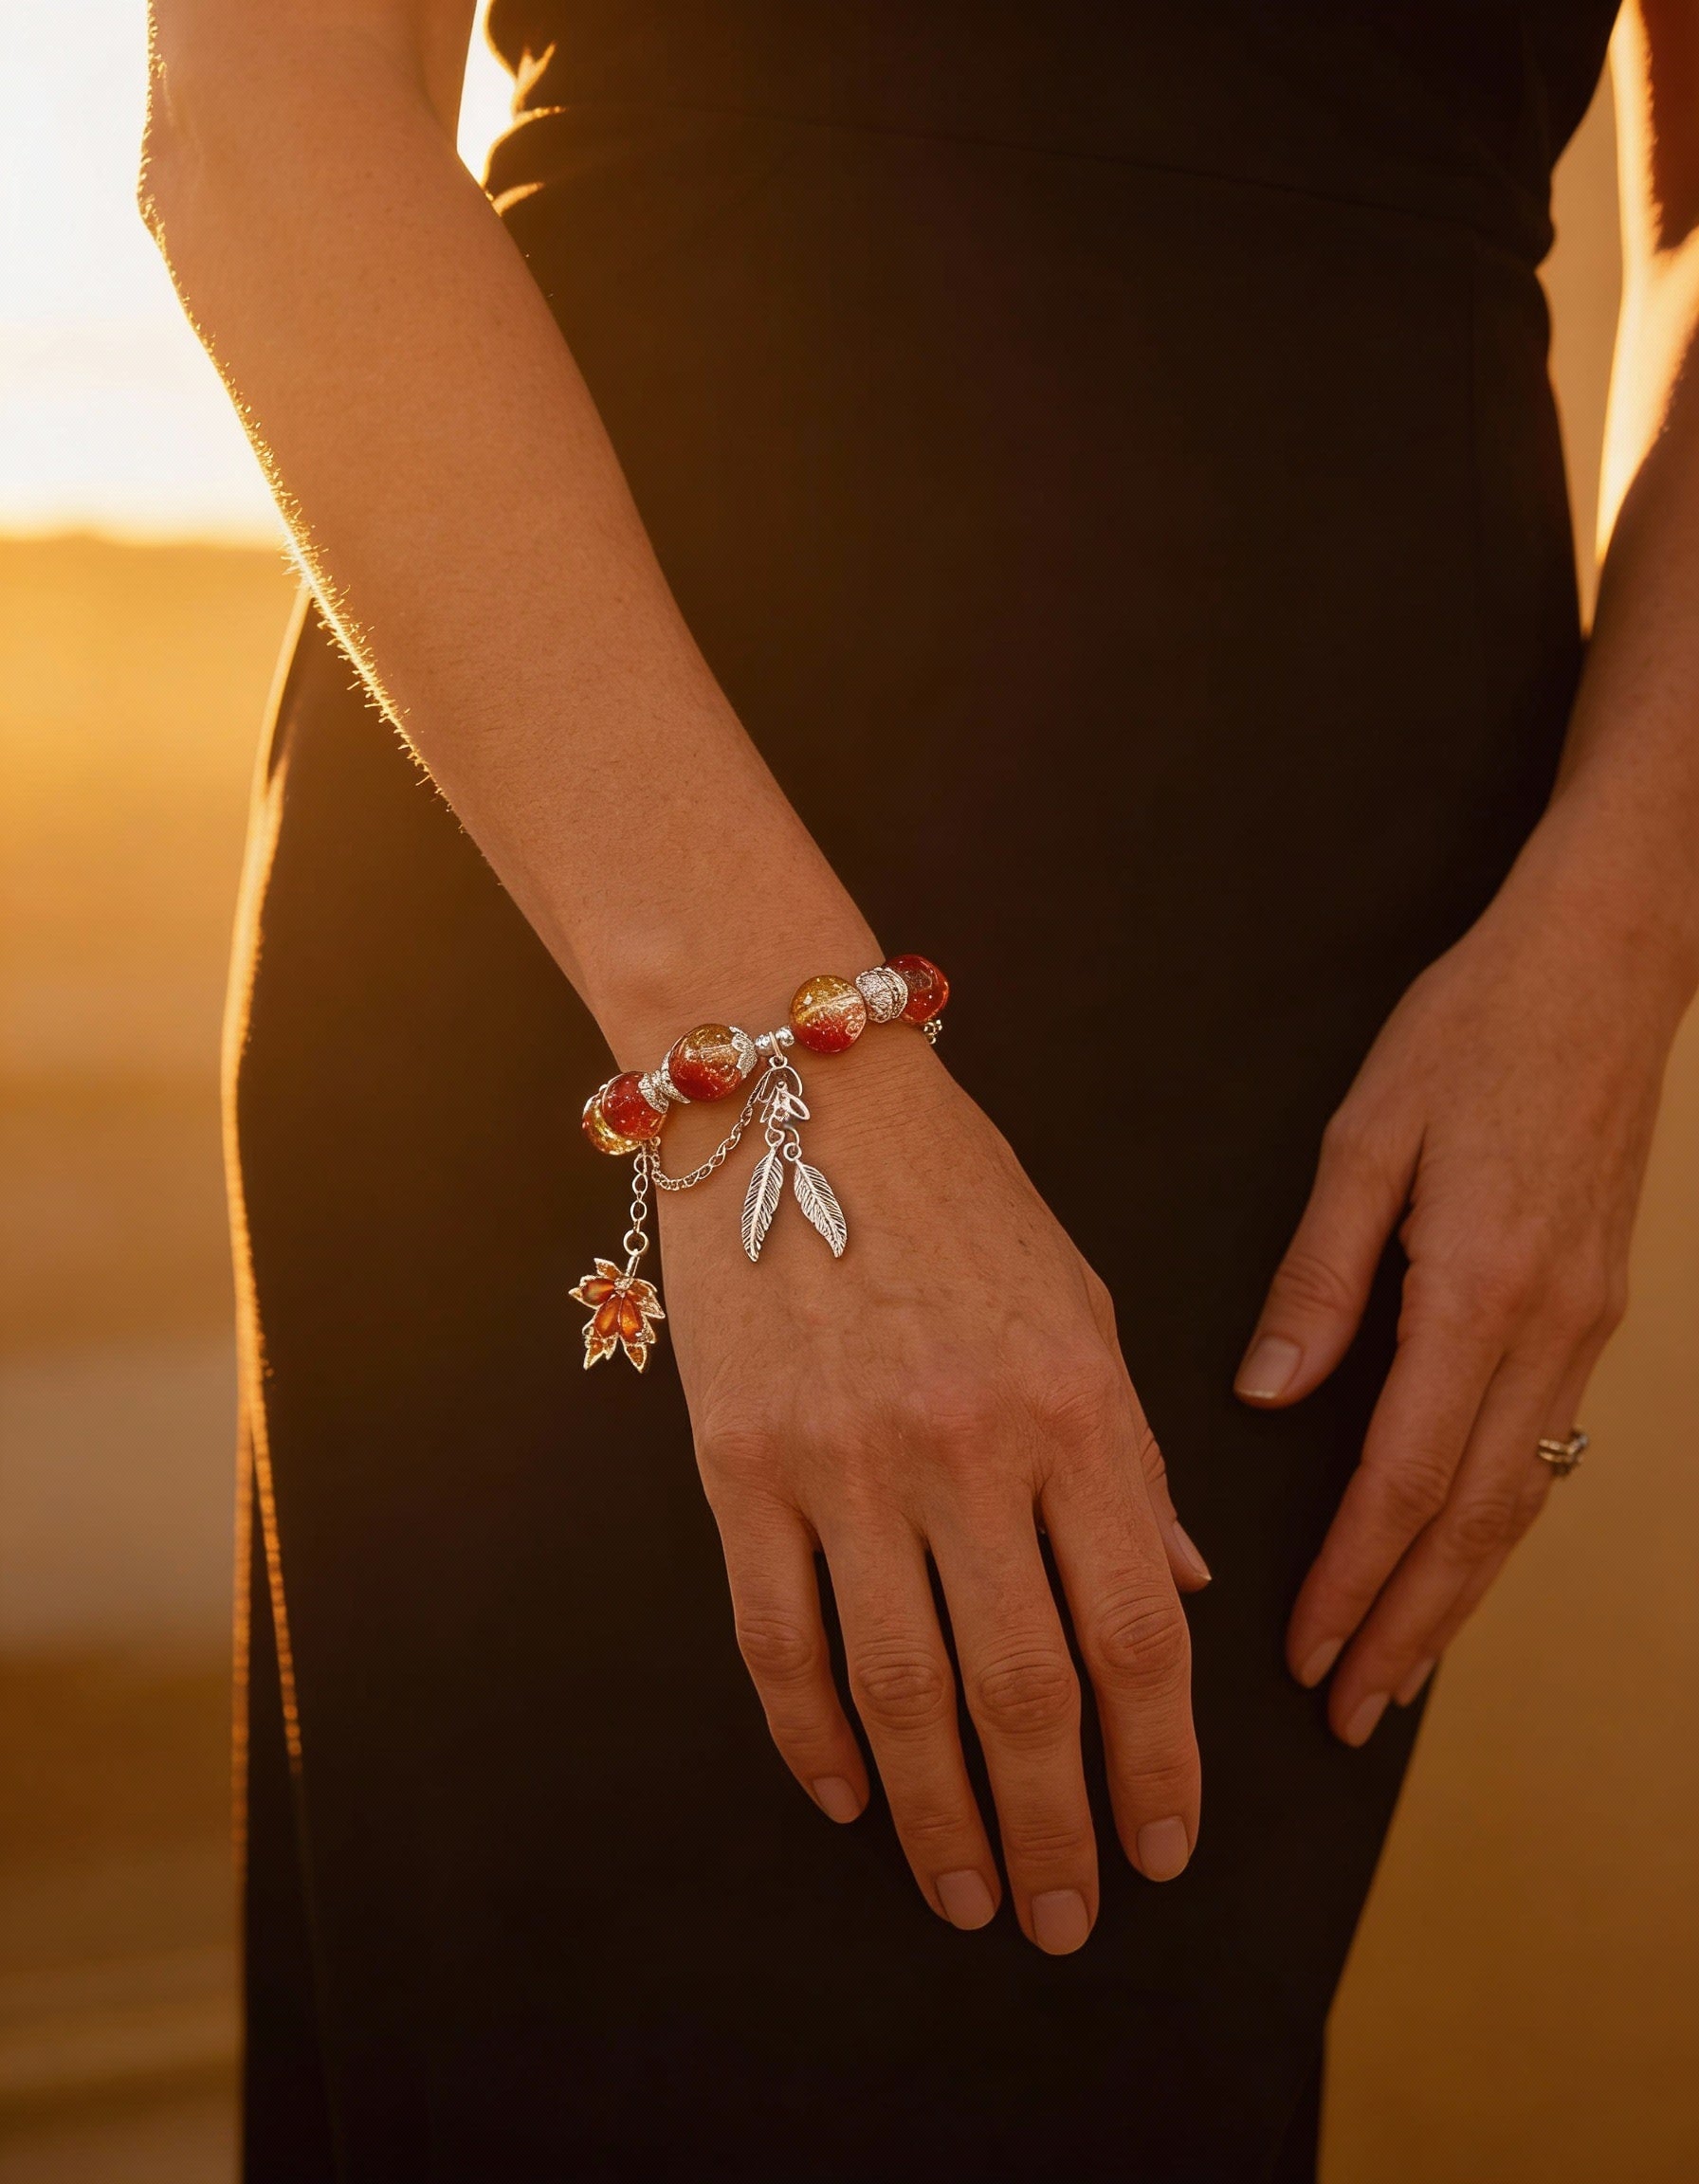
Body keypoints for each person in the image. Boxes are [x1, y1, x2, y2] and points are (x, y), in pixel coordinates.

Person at [140, 3, 1697, 2175]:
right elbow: (261, 109)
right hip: (616, 868)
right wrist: (782, 1072)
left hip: (1336, 990)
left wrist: (1604, 979)